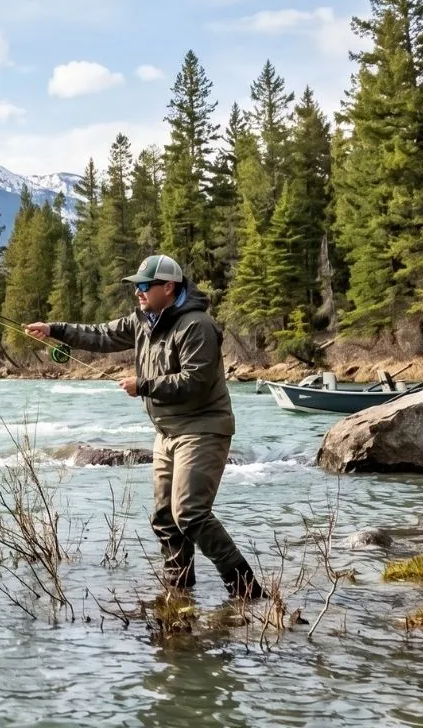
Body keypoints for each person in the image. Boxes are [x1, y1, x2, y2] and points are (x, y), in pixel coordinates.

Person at [25, 253, 264, 600]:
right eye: (135, 286)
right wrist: (55, 330)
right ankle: (179, 592)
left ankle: (245, 589)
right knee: (165, 518)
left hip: (203, 428)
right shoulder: (143, 319)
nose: (137, 292)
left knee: (191, 514)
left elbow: (196, 380)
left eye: (144, 286)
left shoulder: (197, 325)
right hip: (167, 432)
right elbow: (101, 335)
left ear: (168, 287)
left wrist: (145, 385)